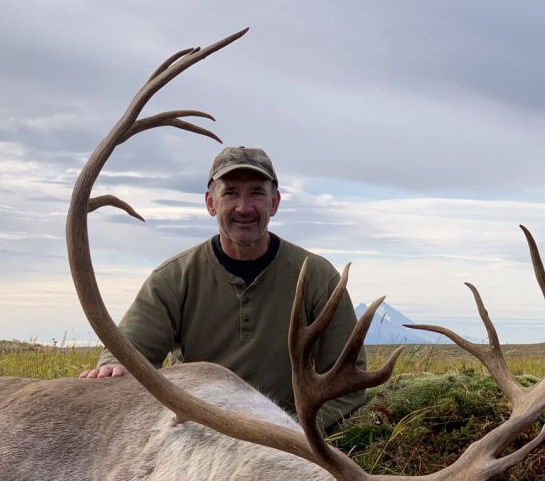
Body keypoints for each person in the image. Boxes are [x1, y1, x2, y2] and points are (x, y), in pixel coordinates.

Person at [80, 145, 366, 430]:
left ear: (274, 202)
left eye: (256, 192)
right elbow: (129, 353)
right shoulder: (174, 277)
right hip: (199, 437)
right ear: (210, 203)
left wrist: (298, 435)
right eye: (230, 193)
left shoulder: (316, 275)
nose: (244, 207)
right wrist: (114, 368)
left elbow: (346, 385)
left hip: (291, 441)